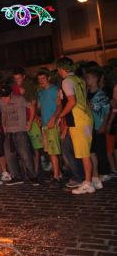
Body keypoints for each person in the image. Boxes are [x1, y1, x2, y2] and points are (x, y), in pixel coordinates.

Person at [55, 57, 95, 194]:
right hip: (85, 118)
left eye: (58, 69)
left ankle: (88, 183)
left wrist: (60, 116)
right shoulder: (79, 79)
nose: (58, 72)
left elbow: (72, 101)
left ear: (62, 69)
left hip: (79, 120)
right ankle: (91, 180)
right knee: (86, 153)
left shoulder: (67, 81)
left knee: (84, 154)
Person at [0, 84, 39, 186]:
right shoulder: (1, 102)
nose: (4, 99)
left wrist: (30, 123)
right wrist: (3, 125)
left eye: (6, 96)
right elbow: (3, 113)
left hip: (20, 131)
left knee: (25, 155)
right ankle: (16, 177)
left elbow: (32, 106)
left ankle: (32, 176)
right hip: (9, 132)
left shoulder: (20, 99)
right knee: (9, 156)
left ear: (11, 94)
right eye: (2, 97)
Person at [36, 68, 63, 184]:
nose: (41, 81)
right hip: (45, 125)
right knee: (50, 150)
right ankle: (58, 173)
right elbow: (40, 107)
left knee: (53, 151)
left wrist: (53, 118)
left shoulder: (54, 90)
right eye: (39, 79)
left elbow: (59, 106)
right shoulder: (40, 92)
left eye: (43, 78)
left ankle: (56, 175)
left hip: (53, 124)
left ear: (48, 78)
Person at [85, 67, 110, 184]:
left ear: (95, 79)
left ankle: (104, 172)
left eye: (89, 78)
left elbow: (106, 111)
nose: (87, 80)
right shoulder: (86, 92)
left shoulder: (101, 94)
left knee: (100, 150)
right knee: (92, 150)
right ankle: (96, 173)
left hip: (98, 124)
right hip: (88, 125)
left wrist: (104, 125)